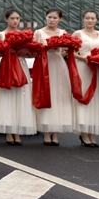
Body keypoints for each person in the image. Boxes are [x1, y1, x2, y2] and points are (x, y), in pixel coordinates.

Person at [35, 8, 76, 146]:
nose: (52, 20)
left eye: (55, 18)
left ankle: (56, 132)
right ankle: (46, 131)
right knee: (47, 94)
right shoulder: (39, 32)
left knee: (60, 96)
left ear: (60, 19)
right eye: (50, 17)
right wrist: (44, 49)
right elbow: (34, 51)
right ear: (46, 17)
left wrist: (59, 50)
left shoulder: (63, 33)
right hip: (44, 65)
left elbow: (66, 51)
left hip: (59, 65)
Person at [0, 8, 36, 145]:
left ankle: (18, 131)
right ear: (6, 19)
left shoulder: (24, 35)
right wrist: (6, 50)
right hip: (7, 65)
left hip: (21, 65)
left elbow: (31, 54)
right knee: (7, 96)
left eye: (17, 18)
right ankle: (9, 131)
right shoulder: (1, 35)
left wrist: (27, 52)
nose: (15, 21)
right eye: (12, 18)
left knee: (21, 96)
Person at [73, 9, 99, 147]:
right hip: (84, 67)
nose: (90, 20)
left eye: (93, 18)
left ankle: (92, 132)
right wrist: (84, 58)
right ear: (83, 19)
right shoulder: (78, 34)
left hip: (98, 68)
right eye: (87, 18)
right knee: (85, 96)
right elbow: (71, 52)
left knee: (96, 99)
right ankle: (84, 132)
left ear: (96, 20)